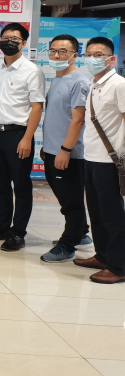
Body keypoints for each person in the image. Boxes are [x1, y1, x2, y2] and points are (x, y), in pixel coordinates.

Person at [0, 22, 45, 252]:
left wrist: (27, 138)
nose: (9, 42)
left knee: (21, 185)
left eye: (15, 39)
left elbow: (37, 107)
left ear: (23, 43)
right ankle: (2, 226)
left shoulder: (32, 71)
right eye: (5, 37)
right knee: (0, 184)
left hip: (19, 134)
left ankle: (18, 233)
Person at [76, 37, 125, 284]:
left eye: (99, 55)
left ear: (111, 59)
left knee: (112, 214)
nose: (92, 59)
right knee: (96, 211)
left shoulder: (119, 85)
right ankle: (103, 255)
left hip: (110, 161)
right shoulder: (94, 83)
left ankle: (118, 266)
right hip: (91, 156)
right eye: (89, 54)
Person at [39, 34, 91, 263]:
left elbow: (78, 120)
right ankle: (81, 233)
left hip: (68, 153)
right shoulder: (58, 79)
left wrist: (65, 150)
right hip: (52, 149)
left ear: (74, 55)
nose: (56, 55)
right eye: (53, 50)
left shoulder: (79, 81)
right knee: (66, 197)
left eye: (62, 51)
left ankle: (68, 244)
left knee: (71, 202)